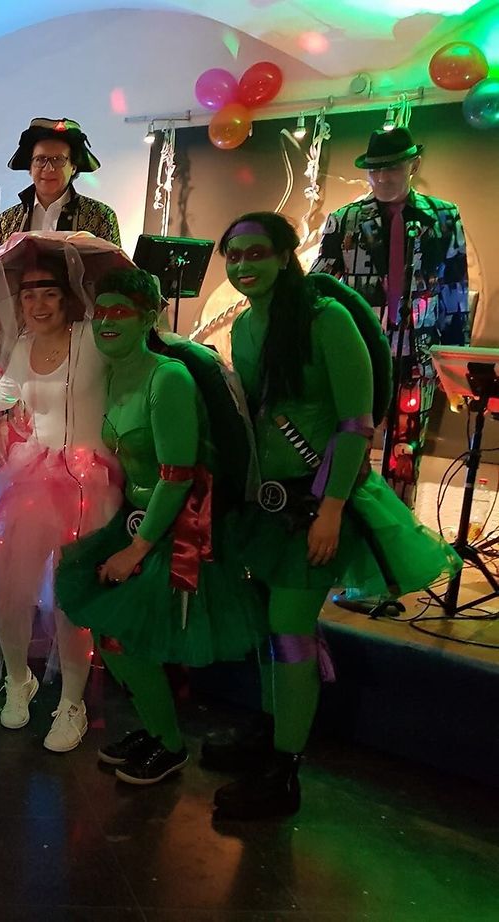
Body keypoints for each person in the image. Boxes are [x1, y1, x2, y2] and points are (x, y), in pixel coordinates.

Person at [207, 212, 459, 819]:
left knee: (291, 628)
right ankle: (270, 736)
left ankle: (284, 770)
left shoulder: (328, 320)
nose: (243, 265)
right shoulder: (245, 326)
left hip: (318, 504)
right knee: (271, 626)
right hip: (267, 505)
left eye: (256, 252)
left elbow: (355, 424)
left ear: (286, 255)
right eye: (233, 255)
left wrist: (332, 508)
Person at [55, 268, 264, 785]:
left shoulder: (167, 377)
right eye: (100, 312)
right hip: (134, 518)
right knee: (108, 635)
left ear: (149, 316)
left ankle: (169, 744)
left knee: (124, 641)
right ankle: (153, 730)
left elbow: (177, 476)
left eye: (120, 311)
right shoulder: (113, 373)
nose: (106, 322)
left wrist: (137, 549)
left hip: (177, 527)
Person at [0, 250, 121, 753]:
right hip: (29, 478)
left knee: (70, 595)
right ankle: (18, 680)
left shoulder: (92, 338)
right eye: (29, 294)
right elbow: (13, 403)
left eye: (49, 293)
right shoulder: (22, 345)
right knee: (9, 587)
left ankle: (73, 702)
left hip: (85, 479)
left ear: (68, 296)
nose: (38, 304)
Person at [311, 126, 470, 504]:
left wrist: (456, 362)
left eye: (392, 168)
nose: (382, 177)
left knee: (406, 451)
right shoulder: (345, 219)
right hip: (360, 350)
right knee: (352, 440)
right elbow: (319, 284)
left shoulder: (443, 216)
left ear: (414, 165)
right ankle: (349, 517)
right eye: (375, 170)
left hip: (419, 351)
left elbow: (455, 287)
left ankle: (397, 519)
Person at [0, 118, 121, 251]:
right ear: (30, 167)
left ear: (73, 167)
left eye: (58, 159)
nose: (48, 168)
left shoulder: (100, 217)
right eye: (40, 159)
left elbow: (115, 264)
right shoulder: (7, 221)